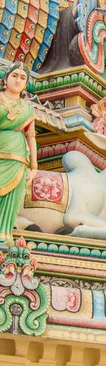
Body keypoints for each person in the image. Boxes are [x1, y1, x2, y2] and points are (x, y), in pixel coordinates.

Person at [0, 62, 37, 244]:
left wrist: (35, 167)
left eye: (23, 78)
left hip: (18, 159)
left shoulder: (28, 108)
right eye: (14, 75)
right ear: (5, 80)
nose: (18, 80)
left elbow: (31, 136)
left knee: (11, 200)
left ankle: (4, 235)